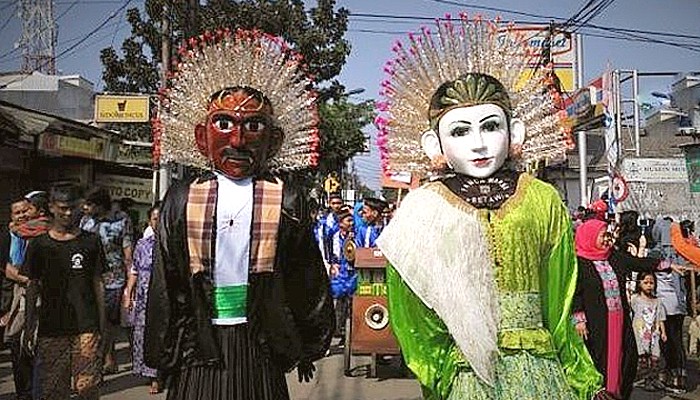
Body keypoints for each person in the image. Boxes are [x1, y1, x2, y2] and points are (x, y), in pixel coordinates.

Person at [374, 15, 602, 400]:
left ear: (514, 133)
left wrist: (582, 378)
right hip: (465, 374)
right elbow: (411, 307)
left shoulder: (541, 199)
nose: (478, 143)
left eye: (490, 126)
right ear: (435, 144)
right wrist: (443, 370)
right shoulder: (421, 209)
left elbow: (559, 299)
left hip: (541, 375)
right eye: (460, 131)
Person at [144, 29, 334, 400]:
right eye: (224, 125)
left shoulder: (286, 200)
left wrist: (311, 340)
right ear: (202, 137)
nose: (238, 141)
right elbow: (167, 282)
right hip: (200, 346)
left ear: (274, 140)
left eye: (254, 126)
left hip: (260, 343)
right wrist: (163, 353)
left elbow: (305, 275)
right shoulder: (182, 198)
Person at [572, 219, 680, 399]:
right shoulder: (580, 263)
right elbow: (575, 292)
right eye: (604, 235)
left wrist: (666, 265)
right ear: (590, 237)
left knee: (627, 356)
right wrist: (579, 318)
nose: (608, 239)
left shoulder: (614, 257)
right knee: (600, 358)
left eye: (609, 235)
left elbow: (639, 263)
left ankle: (618, 393)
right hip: (597, 322)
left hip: (620, 319)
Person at [23, 185, 106, 400]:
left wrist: (104, 327)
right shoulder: (40, 245)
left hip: (86, 326)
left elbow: (98, 284)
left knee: (87, 387)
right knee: (52, 390)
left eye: (73, 208)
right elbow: (32, 287)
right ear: (51, 207)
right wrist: (29, 324)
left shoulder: (91, 242)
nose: (68, 213)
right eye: (62, 208)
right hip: (51, 328)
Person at [80, 187, 133, 375]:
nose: (85, 208)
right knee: (91, 321)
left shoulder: (121, 219)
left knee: (107, 323)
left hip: (113, 280)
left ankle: (104, 357)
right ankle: (101, 358)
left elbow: (127, 250)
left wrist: (130, 283)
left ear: (100, 205)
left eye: (89, 204)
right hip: (87, 279)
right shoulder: (85, 221)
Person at [123, 205, 161, 394]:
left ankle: (159, 375)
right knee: (143, 333)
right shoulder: (142, 244)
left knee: (161, 332)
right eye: (154, 219)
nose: (158, 222)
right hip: (143, 296)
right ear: (149, 221)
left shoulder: (173, 244)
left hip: (163, 296)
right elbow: (134, 270)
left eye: (161, 218)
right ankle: (149, 372)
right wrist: (128, 293)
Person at [630, 271, 667, 392]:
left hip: (654, 334)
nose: (649, 285)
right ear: (639, 283)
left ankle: (654, 378)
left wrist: (663, 332)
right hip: (640, 334)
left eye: (651, 282)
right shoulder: (634, 299)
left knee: (655, 358)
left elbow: (660, 318)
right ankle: (646, 380)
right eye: (645, 282)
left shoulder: (657, 301)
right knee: (643, 359)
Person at [329, 210, 357, 344]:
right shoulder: (334, 236)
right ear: (340, 224)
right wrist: (333, 265)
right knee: (340, 303)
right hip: (340, 275)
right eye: (348, 221)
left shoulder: (357, 235)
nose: (352, 223)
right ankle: (339, 329)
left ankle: (352, 333)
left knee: (354, 305)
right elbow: (331, 254)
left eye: (352, 220)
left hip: (354, 274)